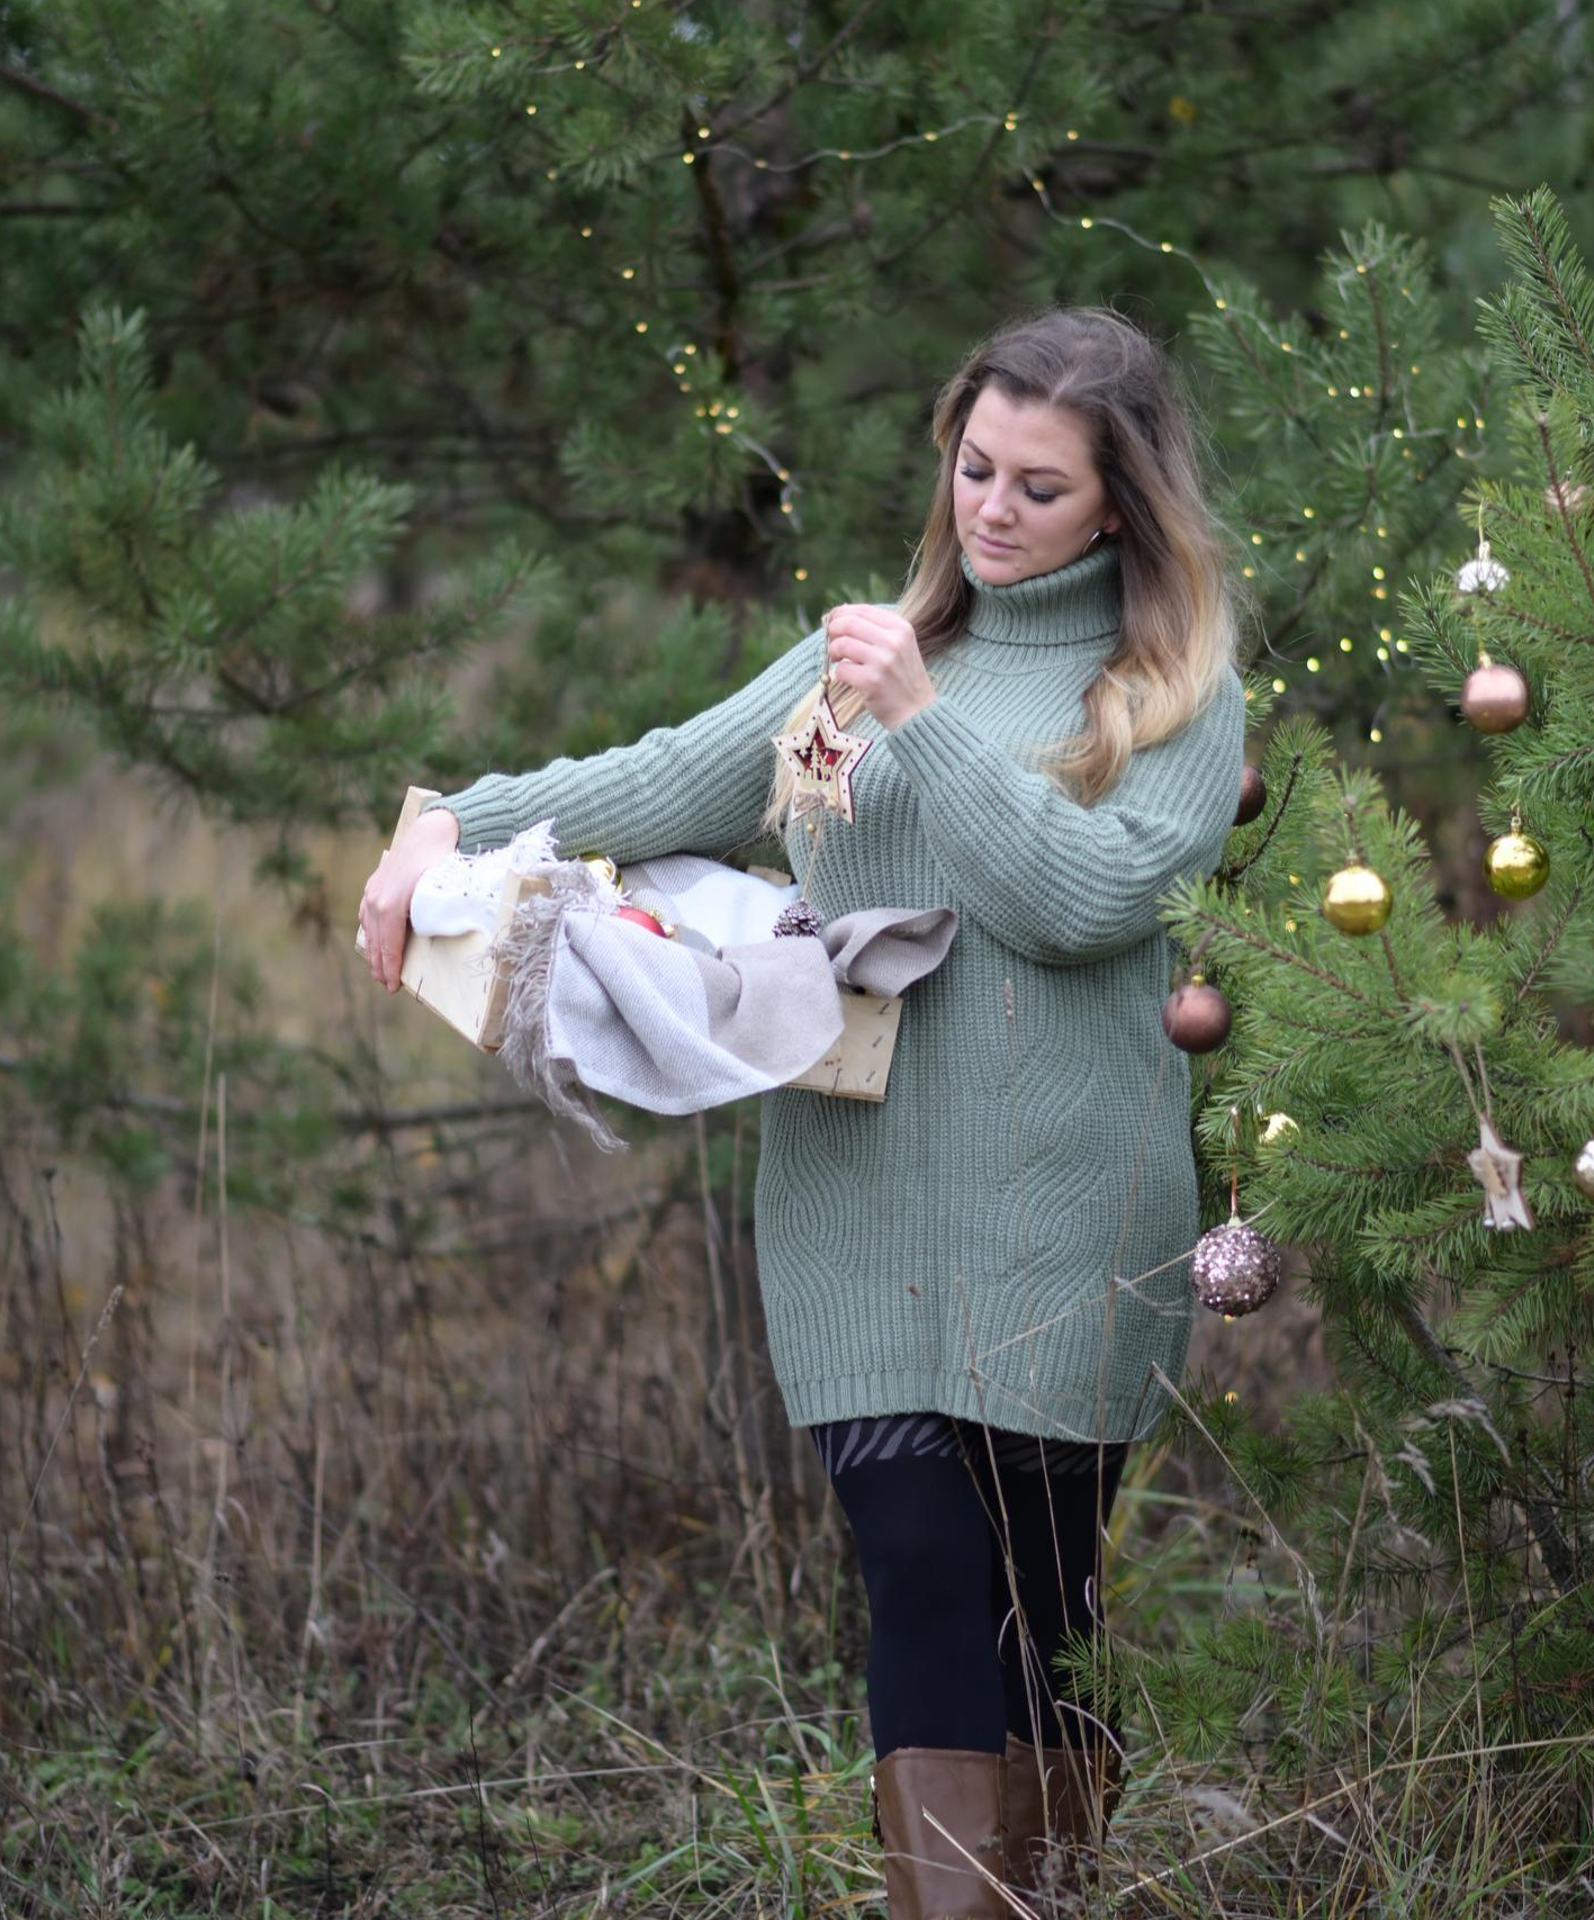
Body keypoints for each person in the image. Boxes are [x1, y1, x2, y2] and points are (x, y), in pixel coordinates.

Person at [358, 306, 1249, 1917]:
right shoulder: (866, 651)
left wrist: (923, 720)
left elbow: (1082, 902)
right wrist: (450, 823)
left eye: (1037, 488)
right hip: (855, 1202)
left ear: (1118, 504)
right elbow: (669, 779)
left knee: (1041, 1615)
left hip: (1073, 1213)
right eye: (974, 467)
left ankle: (1045, 1893)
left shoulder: (1174, 690)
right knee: (914, 1570)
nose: (990, 509)